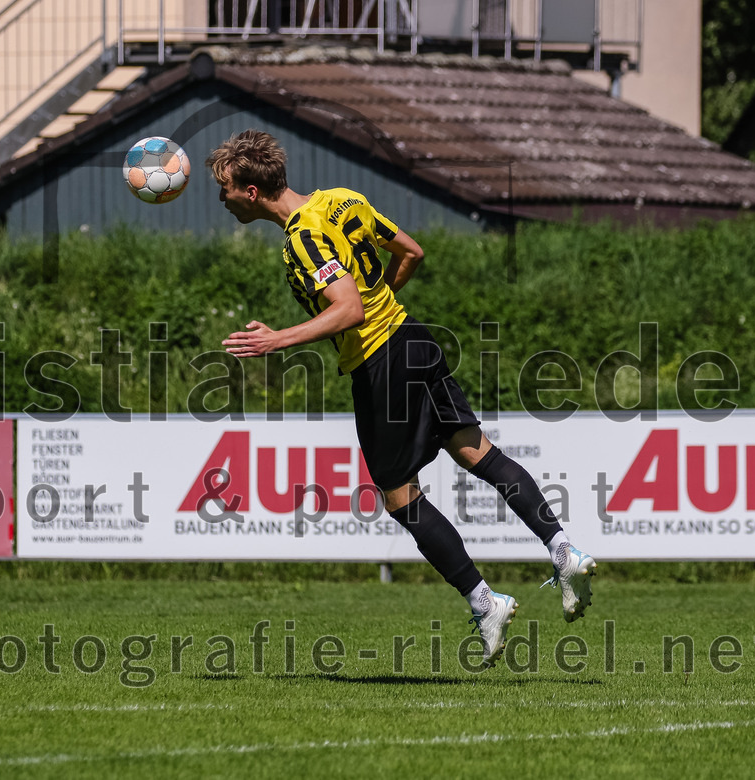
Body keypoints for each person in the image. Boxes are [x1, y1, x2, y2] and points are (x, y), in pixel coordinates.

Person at [208, 129, 596, 668]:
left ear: (250, 191)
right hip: (414, 341)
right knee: (476, 452)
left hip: (380, 364)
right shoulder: (343, 200)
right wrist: (383, 302)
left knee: (398, 496)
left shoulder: (302, 237)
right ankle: (563, 549)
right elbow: (411, 252)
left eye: (224, 188)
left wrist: (278, 338)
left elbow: (349, 311)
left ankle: (486, 602)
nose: (221, 198)